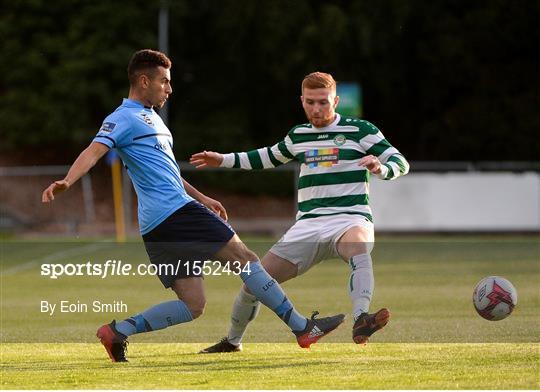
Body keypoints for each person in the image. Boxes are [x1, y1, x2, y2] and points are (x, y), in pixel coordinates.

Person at [41, 51, 344, 362]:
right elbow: (93, 151)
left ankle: (118, 331)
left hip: (158, 224)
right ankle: (302, 328)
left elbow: (168, 172)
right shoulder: (122, 118)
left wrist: (203, 198)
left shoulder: (152, 119)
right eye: (164, 82)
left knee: (193, 305)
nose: (169, 89)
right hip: (175, 213)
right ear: (144, 81)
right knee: (246, 258)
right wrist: (68, 180)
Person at [190, 71, 409, 353]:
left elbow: (400, 161)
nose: (316, 109)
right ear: (302, 101)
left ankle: (361, 318)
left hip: (349, 217)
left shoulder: (361, 130)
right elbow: (267, 157)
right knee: (254, 280)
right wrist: (222, 159)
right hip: (308, 225)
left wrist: (381, 168)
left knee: (359, 249)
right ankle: (232, 341)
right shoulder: (299, 135)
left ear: (336, 100)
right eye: (310, 102)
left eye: (323, 102)